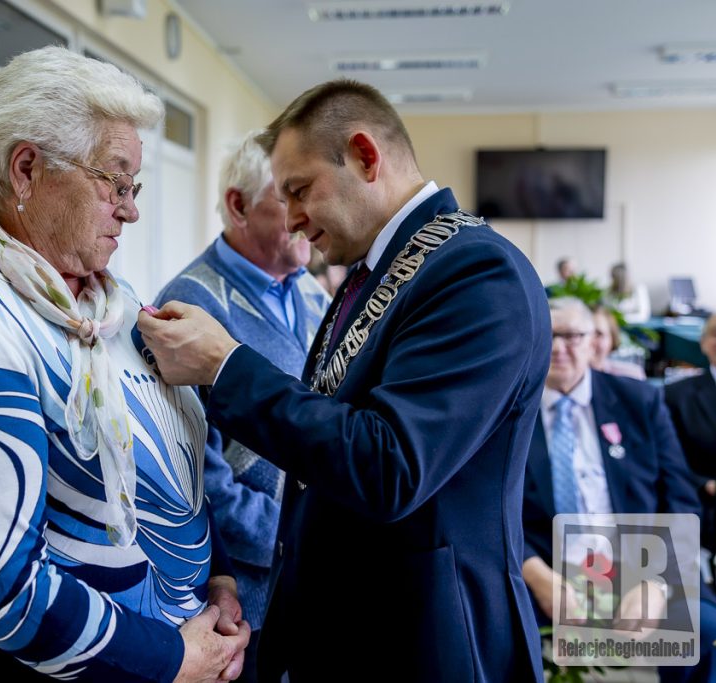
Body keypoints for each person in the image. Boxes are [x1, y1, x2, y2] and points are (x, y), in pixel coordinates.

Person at [137, 78, 551, 681]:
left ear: (364, 156)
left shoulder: (474, 271)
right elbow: (326, 431)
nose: (294, 218)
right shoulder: (376, 270)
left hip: (427, 641)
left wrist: (226, 365)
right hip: (354, 630)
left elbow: (388, 465)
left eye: (300, 190)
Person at [0, 47, 248, 682]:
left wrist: (217, 581)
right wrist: (175, 658)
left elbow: (174, 476)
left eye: (134, 187)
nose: (130, 209)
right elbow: (0, 591)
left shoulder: (114, 306)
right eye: (115, 182)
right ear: (27, 170)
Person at [153, 130, 330, 682]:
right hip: (246, 597)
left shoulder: (313, 292)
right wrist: (298, 531)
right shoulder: (188, 304)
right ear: (238, 205)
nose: (306, 214)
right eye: (290, 196)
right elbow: (193, 474)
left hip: (314, 577)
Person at [521, 297, 716, 683]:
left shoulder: (638, 400)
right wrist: (537, 575)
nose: (559, 348)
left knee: (707, 632)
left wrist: (656, 580)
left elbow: (680, 498)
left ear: (594, 340)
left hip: (640, 563)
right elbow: (490, 510)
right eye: (549, 336)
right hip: (546, 570)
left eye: (572, 336)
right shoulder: (510, 410)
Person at [666, 314, 716, 553]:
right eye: (715, 334)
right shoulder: (676, 396)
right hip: (704, 506)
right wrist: (705, 483)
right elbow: (669, 457)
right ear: (703, 343)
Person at [591, 303, 646, 380]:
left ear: (612, 339)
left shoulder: (631, 377)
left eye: (599, 334)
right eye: (584, 334)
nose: (590, 340)